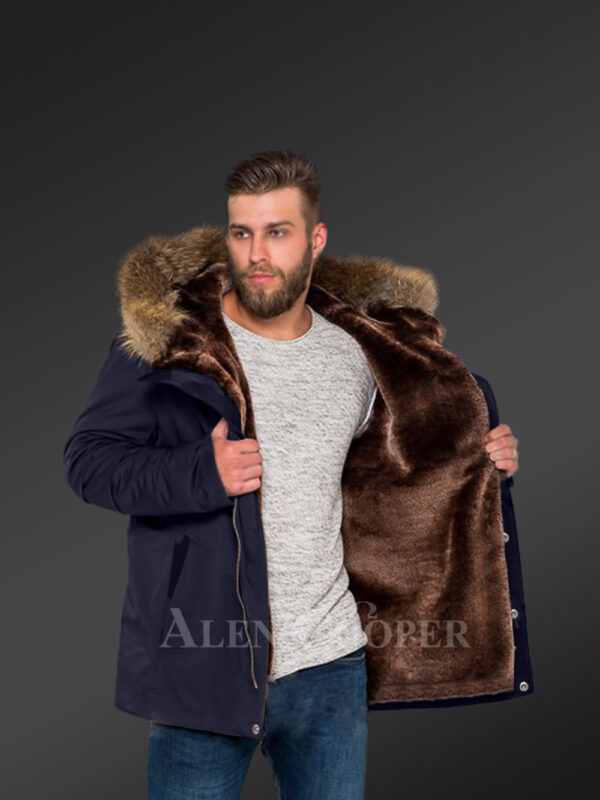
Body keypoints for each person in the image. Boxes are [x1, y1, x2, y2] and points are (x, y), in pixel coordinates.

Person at [63, 150, 531, 800]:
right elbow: (88, 461)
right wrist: (199, 471)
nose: (256, 254)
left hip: (330, 667)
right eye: (242, 232)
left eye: (277, 232)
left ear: (315, 240)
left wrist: (480, 466)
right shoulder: (170, 345)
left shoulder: (359, 353)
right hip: (203, 660)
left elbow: (399, 472)